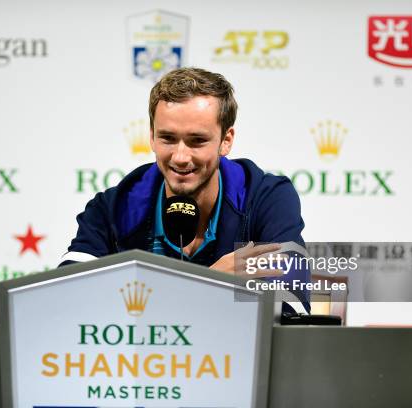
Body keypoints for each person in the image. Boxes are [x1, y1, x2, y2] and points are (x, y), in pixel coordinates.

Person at [60, 67, 309, 313]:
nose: (180, 157)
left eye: (197, 140)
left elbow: (290, 307)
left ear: (226, 140)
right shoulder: (114, 208)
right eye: (167, 138)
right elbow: (66, 301)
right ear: (151, 137)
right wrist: (209, 282)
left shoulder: (266, 198)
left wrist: (150, 301)